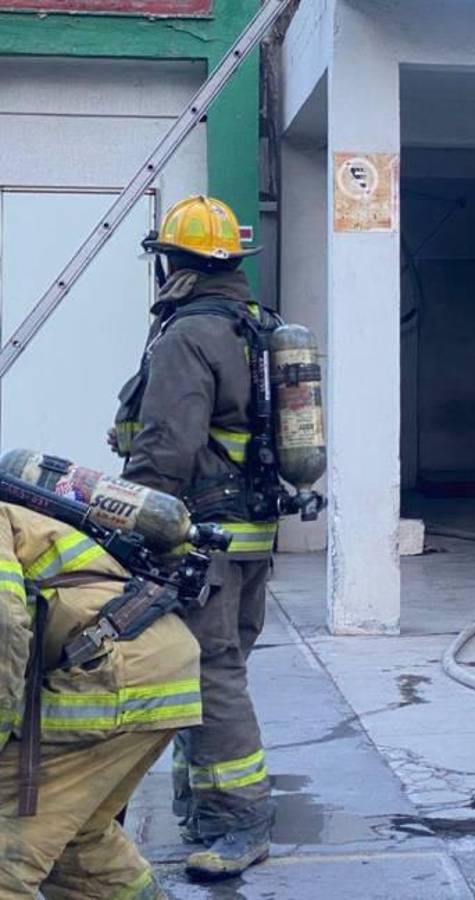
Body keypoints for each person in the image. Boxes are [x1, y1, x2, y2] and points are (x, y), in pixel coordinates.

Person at [111, 195, 276, 879]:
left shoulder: (188, 336)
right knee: (213, 669)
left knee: (211, 674)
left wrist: (126, 519)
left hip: (201, 538)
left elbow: (166, 448)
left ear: (174, 264)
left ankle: (241, 822)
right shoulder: (256, 326)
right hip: (250, 538)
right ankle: (205, 811)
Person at [0, 501, 201, 898]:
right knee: (78, 844)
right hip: (152, 663)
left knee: (8, 842)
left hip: (112, 675)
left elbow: (4, 625)